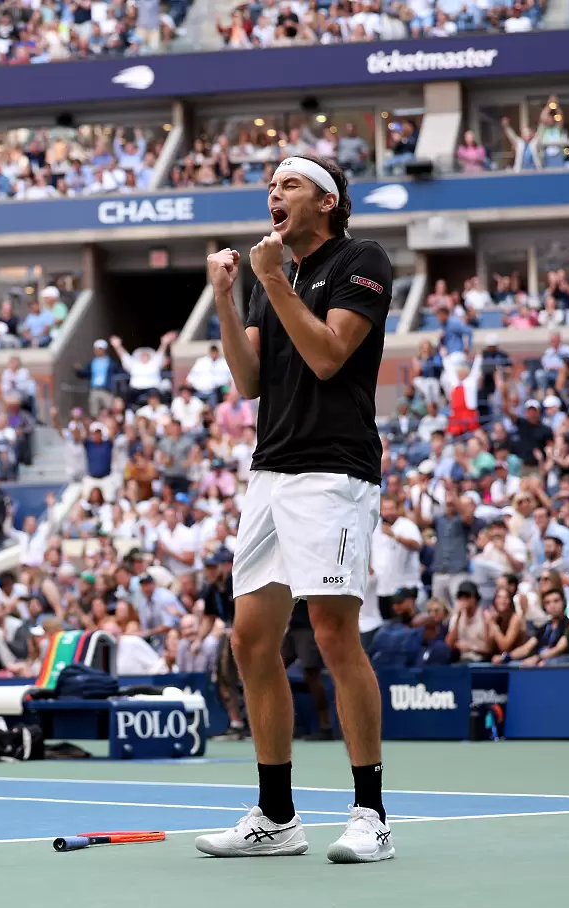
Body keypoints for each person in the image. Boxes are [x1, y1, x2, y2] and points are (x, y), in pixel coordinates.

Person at [196, 155, 396, 864]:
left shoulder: (361, 259)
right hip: (271, 474)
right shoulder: (267, 275)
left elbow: (329, 356)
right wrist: (228, 296)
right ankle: (277, 817)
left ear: (328, 201)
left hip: (333, 473)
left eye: (290, 185)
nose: (274, 194)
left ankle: (371, 814)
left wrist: (272, 279)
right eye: (273, 185)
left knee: (335, 635)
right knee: (250, 639)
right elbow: (250, 379)